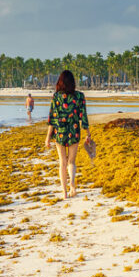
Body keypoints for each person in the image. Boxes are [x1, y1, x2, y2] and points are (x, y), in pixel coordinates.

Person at [45, 70, 91, 200]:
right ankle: (72, 183)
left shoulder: (56, 96)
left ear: (60, 82)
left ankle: (64, 192)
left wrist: (48, 137)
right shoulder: (80, 96)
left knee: (62, 162)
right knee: (71, 161)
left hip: (60, 131)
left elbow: (52, 118)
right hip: (74, 129)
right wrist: (88, 133)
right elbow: (84, 116)